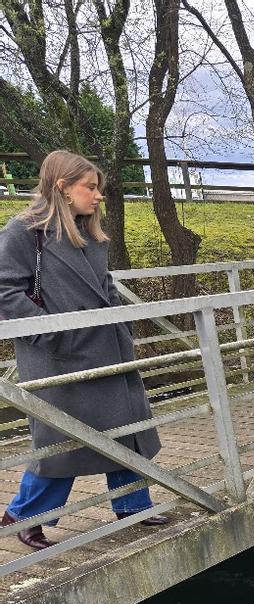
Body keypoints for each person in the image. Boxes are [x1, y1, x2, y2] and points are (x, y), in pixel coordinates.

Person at [0, 150, 165, 551]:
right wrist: (52, 333)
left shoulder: (88, 230)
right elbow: (4, 289)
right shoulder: (25, 231)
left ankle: (133, 505)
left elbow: (105, 284)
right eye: (89, 187)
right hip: (60, 356)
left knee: (127, 428)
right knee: (63, 440)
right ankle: (24, 516)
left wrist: (121, 325)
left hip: (107, 346)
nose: (98, 195)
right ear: (62, 187)